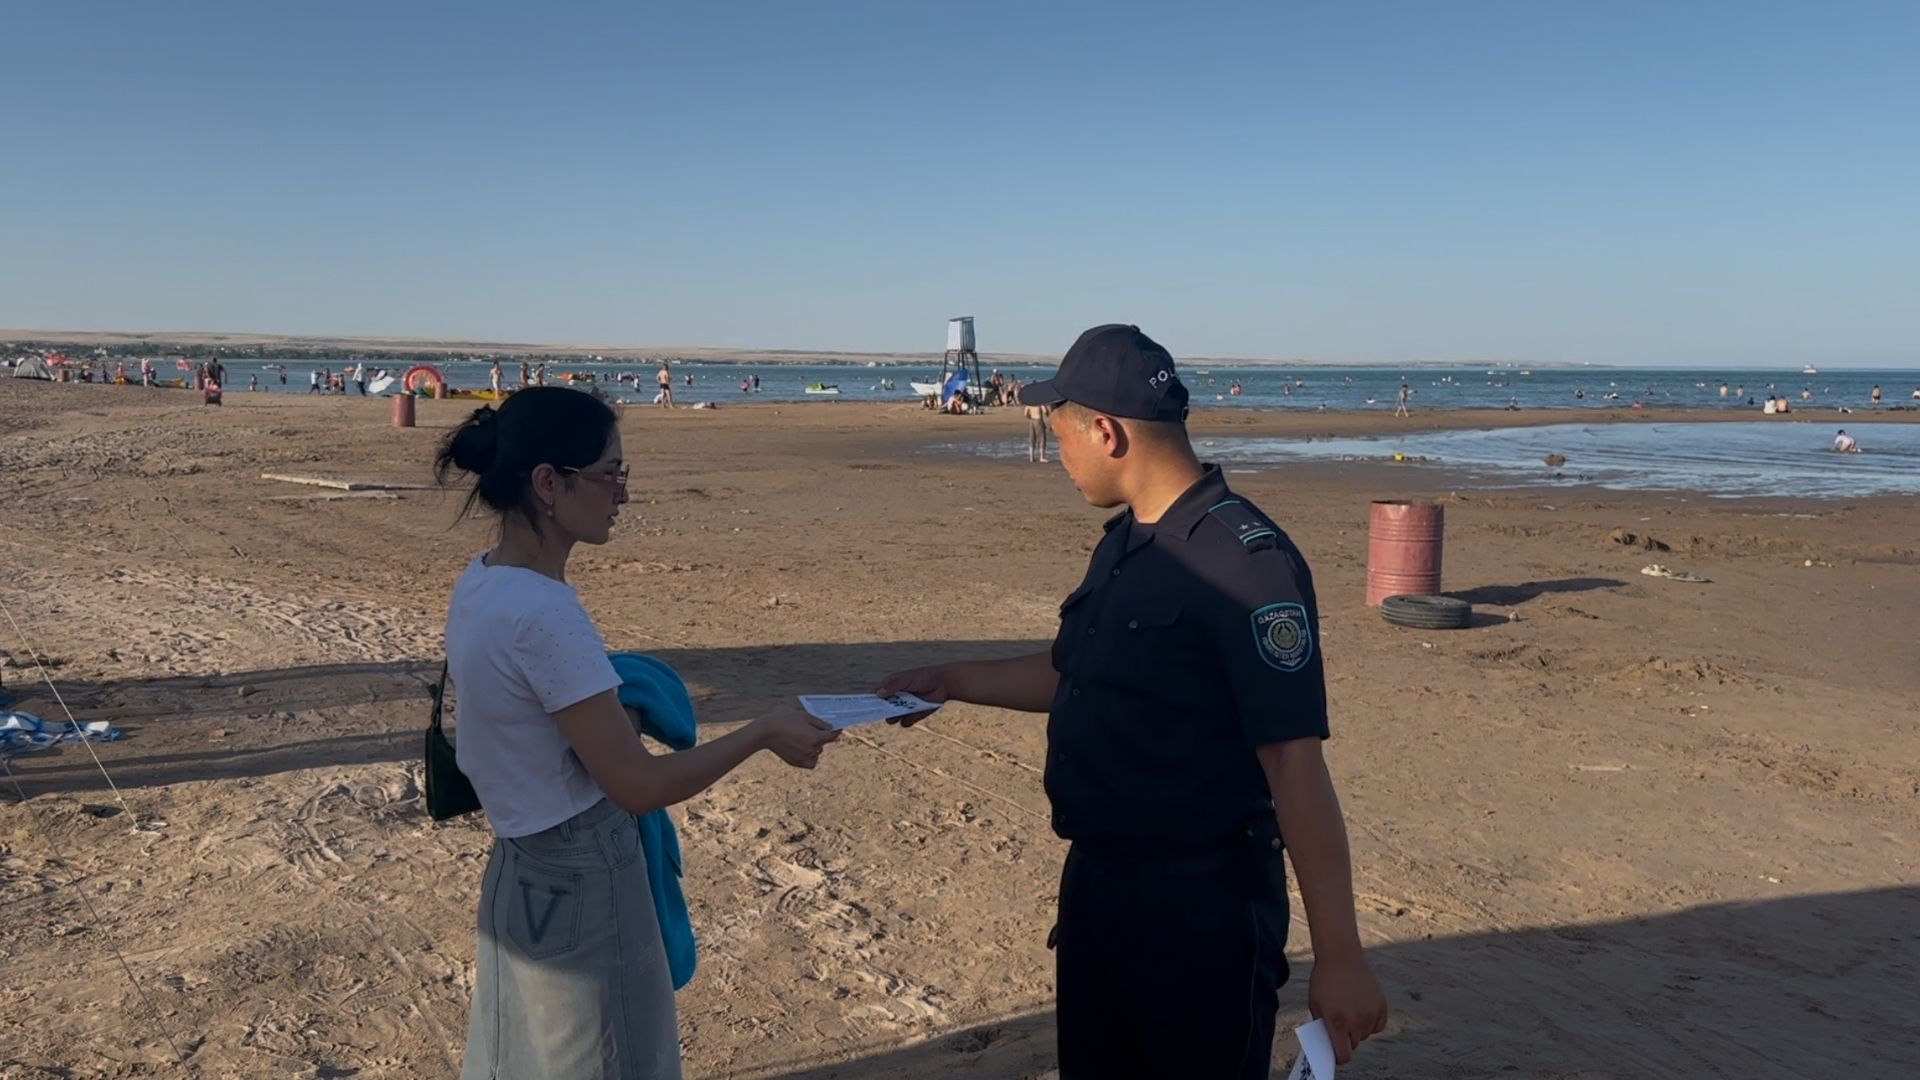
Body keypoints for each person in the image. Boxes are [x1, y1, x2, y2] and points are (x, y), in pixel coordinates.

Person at [880, 325, 1387, 1077]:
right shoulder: (1126, 544)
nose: (1059, 457)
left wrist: (1340, 956)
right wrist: (952, 680)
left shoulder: (1247, 566)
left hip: (1200, 916)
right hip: (1101, 895)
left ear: (1106, 433)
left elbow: (1294, 766)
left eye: (1061, 437)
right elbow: (1076, 674)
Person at [435, 388, 839, 1079]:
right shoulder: (544, 612)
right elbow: (638, 786)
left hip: (518, 869)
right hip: (581, 874)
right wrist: (763, 732)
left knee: (515, 1059)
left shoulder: (482, 582)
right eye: (610, 473)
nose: (622, 492)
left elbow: (521, 720)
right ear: (548, 483)